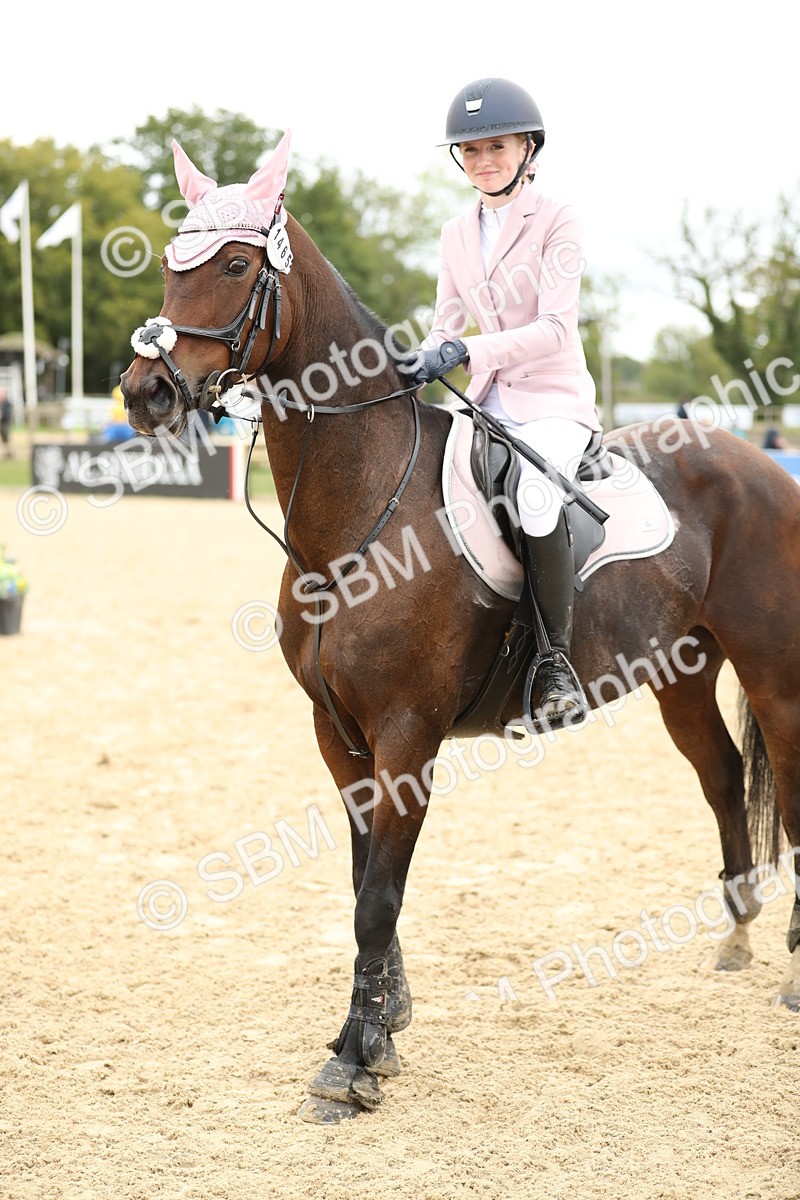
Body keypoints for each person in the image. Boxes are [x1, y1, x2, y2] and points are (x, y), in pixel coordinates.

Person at [399, 77, 600, 728]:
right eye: (471, 151)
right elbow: (445, 322)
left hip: (552, 402)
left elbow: (556, 328)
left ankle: (555, 664)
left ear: (527, 150)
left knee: (536, 497)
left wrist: (465, 351)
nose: (483, 161)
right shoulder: (456, 232)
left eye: (497, 147)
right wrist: (419, 361)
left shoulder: (558, 218)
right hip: (483, 403)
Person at [0, 388, 12, 458]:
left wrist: (2, 415)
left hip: (5, 423)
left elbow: (7, 414)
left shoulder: (7, 403)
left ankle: (8, 453)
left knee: (6, 438)